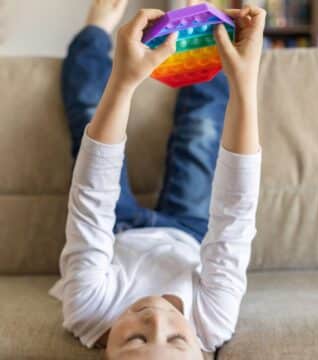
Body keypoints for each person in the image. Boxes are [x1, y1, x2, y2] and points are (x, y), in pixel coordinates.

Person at [49, 0, 265, 358]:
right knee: (200, 129)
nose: (155, 322)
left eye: (135, 340)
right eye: (177, 340)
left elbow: (91, 197)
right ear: (199, 348)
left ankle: (95, 30)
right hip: (190, 231)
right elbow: (235, 214)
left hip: (118, 230)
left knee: (89, 111)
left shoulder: (87, 309)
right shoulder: (213, 321)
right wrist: (245, 82)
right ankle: (202, 20)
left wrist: (123, 81)